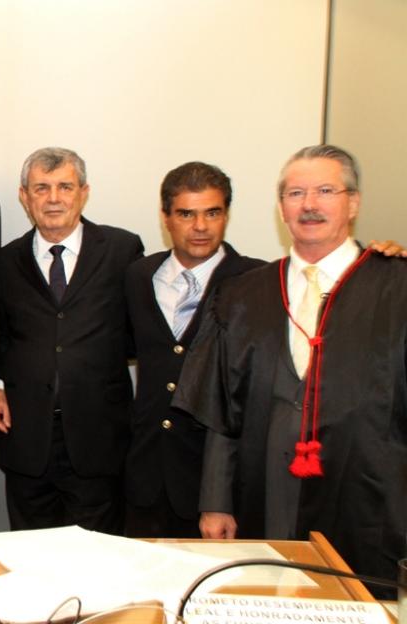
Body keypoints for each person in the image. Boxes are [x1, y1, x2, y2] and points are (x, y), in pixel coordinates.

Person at [174, 144, 407, 584]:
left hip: (371, 501)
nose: (309, 204)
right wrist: (215, 502)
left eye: (325, 191)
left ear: (353, 203)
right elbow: (222, 411)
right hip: (263, 495)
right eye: (296, 193)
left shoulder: (397, 286)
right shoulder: (242, 295)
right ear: (281, 208)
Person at [0, 147, 143, 533]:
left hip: (98, 440)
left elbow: (138, 333)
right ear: (24, 196)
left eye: (64, 187)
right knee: (29, 555)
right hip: (27, 440)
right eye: (41, 188)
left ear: (83, 193)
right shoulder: (5, 261)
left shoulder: (122, 250)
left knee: (98, 556)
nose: (53, 198)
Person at [123, 162, 264, 538]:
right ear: (166, 217)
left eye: (212, 213)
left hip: (216, 486)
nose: (200, 226)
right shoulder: (138, 276)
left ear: (226, 215)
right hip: (145, 477)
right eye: (186, 214)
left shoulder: (258, 281)